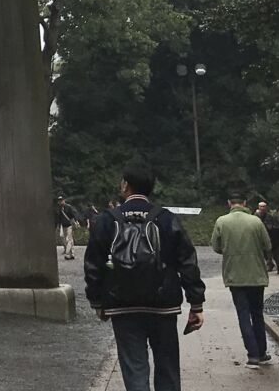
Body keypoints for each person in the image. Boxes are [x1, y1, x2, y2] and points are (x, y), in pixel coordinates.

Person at [84, 167, 205, 391]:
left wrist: (98, 302)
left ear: (125, 186)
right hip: (163, 306)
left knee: (134, 368)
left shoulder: (106, 220)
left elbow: (93, 265)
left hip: (123, 306)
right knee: (167, 366)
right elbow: (187, 261)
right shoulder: (166, 218)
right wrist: (195, 303)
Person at [210, 194, 274, 367]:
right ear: (245, 203)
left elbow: (216, 246)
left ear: (229, 203)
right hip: (256, 275)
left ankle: (252, 355)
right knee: (257, 313)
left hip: (234, 275)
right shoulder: (255, 221)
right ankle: (262, 352)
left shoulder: (221, 221)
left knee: (243, 314)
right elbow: (268, 245)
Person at [255, 200, 279, 274]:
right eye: (261, 206)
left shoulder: (269, 216)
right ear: (258, 207)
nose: (262, 208)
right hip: (261, 237)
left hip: (273, 237)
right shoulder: (255, 216)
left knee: (275, 253)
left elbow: (271, 226)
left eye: (264, 206)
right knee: (265, 252)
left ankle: (278, 266)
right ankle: (270, 264)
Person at [58, 195, 79, 260]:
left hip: (69, 225)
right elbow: (59, 218)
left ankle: (67, 253)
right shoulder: (59, 209)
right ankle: (72, 253)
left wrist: (76, 221)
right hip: (63, 225)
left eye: (61, 200)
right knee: (69, 240)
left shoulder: (68, 207)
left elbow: (73, 215)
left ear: (64, 200)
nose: (60, 202)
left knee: (68, 239)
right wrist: (59, 225)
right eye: (59, 201)